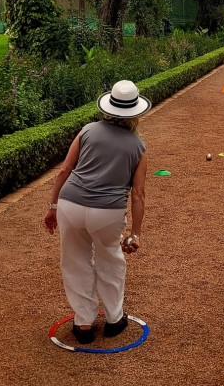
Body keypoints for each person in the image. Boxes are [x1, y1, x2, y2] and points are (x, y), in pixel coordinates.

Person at [43, 79, 150, 343]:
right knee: (110, 261)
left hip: (71, 204)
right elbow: (138, 194)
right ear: (135, 112)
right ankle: (114, 319)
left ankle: (83, 324)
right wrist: (135, 233)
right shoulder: (138, 146)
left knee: (74, 261)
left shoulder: (88, 130)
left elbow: (65, 170)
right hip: (108, 212)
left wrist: (53, 206)